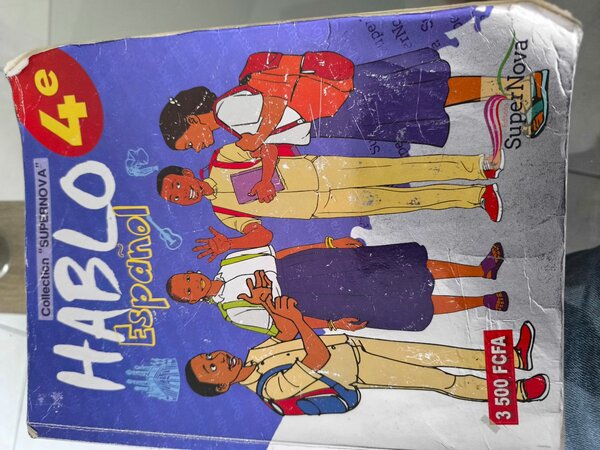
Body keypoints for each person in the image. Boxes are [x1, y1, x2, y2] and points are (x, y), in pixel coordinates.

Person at [184, 295, 549, 412]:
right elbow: (315, 359)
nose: (218, 359)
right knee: (440, 379)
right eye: (212, 369)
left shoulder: (254, 353)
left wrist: (270, 305)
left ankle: (514, 358)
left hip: (355, 347)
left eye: (210, 357)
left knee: (438, 353)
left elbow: (286, 335)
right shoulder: (269, 389)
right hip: (359, 371)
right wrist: (297, 319)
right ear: (222, 387)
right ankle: (517, 392)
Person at [159, 49, 549, 158]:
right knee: (424, 98)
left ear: (193, 119)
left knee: (427, 93)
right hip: (332, 113)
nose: (197, 147)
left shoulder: (226, 111)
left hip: (337, 104)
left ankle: (517, 86)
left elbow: (275, 103)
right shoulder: (229, 122)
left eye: (188, 142)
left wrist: (258, 139)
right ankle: (512, 88)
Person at [157, 143, 504, 258]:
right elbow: (263, 235)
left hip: (323, 172)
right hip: (321, 207)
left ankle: (478, 166)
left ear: (186, 173)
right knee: (404, 201)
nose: (181, 193)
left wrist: (264, 178)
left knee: (400, 169)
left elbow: (268, 149)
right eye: (174, 197)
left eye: (176, 184)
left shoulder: (222, 159)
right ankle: (476, 195)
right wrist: (230, 245)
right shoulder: (223, 213)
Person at [166, 240, 508, 336]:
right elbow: (286, 330)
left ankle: (481, 270)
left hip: (310, 264)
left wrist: (328, 244)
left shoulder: (229, 261)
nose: (194, 284)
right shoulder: (233, 312)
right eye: (188, 291)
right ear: (193, 301)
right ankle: (483, 301)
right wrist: (332, 324)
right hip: (311, 300)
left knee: (400, 266)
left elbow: (279, 254)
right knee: (401, 303)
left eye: (188, 278)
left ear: (193, 272)